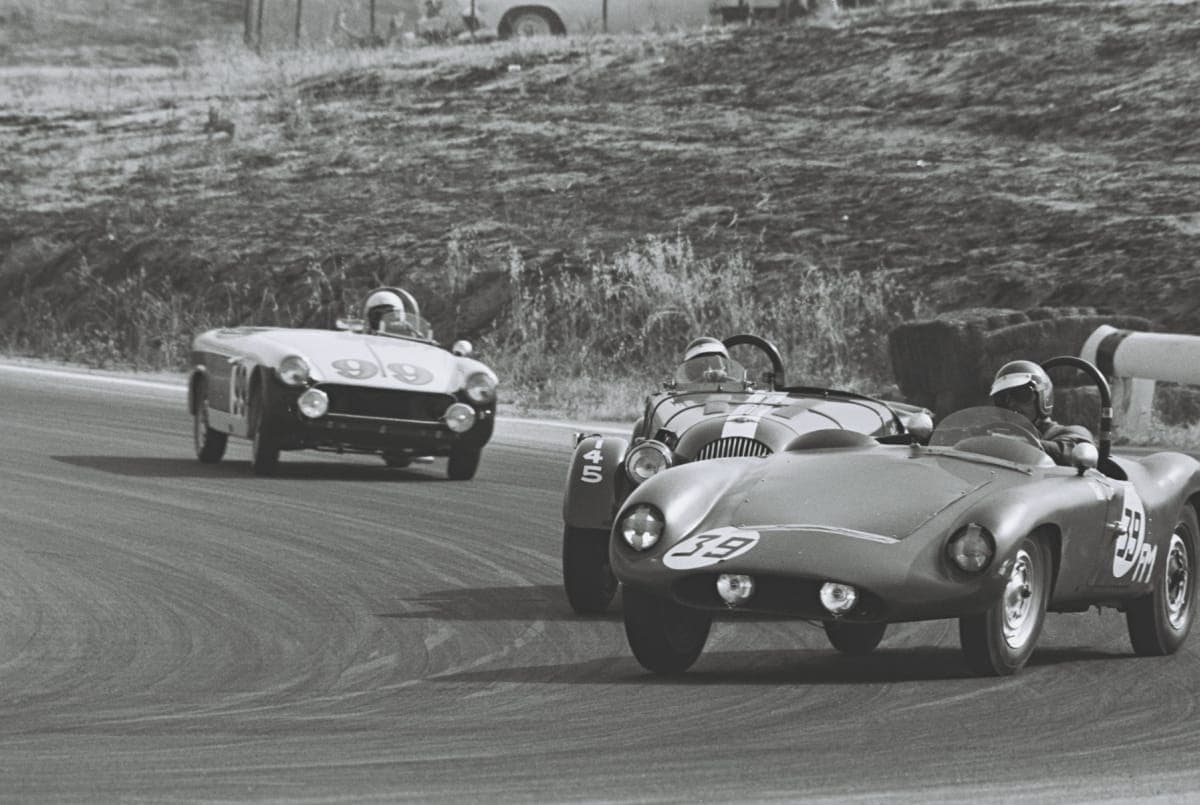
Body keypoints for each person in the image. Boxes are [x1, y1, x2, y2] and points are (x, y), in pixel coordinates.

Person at [989, 359, 1095, 466]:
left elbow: (1072, 452)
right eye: (1002, 399)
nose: (1011, 404)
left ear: (1043, 398)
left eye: (1021, 395)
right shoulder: (990, 432)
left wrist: (1003, 443)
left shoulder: (1072, 433)